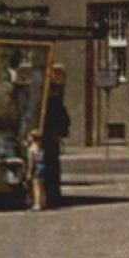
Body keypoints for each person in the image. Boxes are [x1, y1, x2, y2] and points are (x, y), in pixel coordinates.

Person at [41, 71, 71, 209]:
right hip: (53, 139)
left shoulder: (44, 103)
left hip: (47, 138)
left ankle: (45, 196)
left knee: (45, 168)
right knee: (53, 168)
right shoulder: (57, 103)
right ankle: (54, 195)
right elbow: (65, 121)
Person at [24, 129, 47, 212]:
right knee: (41, 186)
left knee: (36, 186)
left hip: (37, 166)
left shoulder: (32, 149)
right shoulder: (40, 146)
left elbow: (31, 161)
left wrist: (29, 172)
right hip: (42, 165)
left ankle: (37, 204)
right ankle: (43, 202)